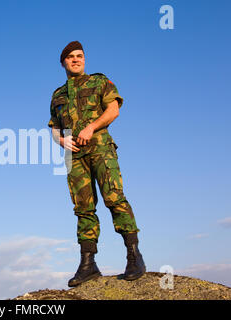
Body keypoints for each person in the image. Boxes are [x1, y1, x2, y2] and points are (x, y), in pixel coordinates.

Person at [48, 41, 146, 287]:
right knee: (83, 209)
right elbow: (53, 127)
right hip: (74, 157)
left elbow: (114, 110)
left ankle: (134, 256)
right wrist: (61, 140)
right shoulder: (58, 94)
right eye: (70, 57)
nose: (76, 60)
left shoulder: (100, 82)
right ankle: (88, 264)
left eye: (79, 56)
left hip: (101, 149)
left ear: (84, 59)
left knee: (114, 198)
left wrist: (91, 127)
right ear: (63, 63)